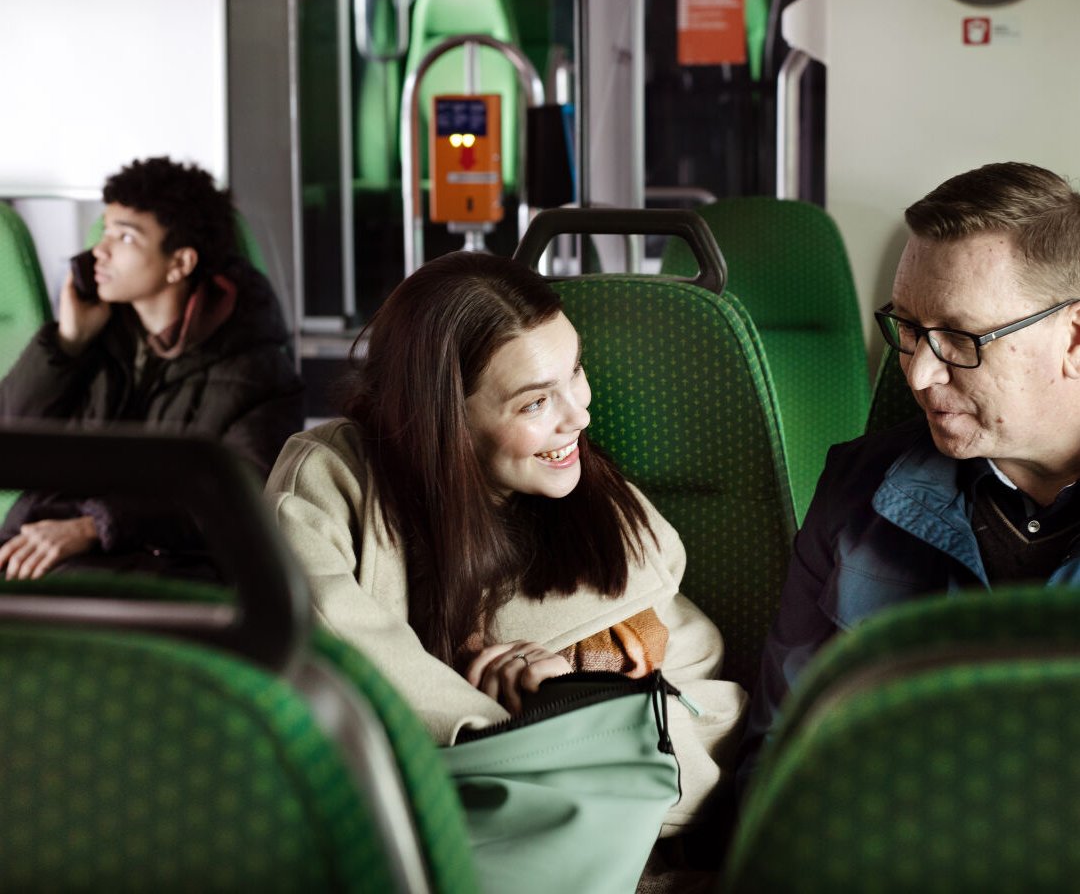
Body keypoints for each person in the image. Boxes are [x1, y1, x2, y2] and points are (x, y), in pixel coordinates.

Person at [265, 250, 746, 842]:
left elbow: (704, 695)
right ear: (443, 418)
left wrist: (567, 698)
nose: (581, 414)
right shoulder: (329, 482)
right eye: (535, 402)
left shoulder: (601, 503)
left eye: (576, 370)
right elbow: (327, 652)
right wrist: (520, 732)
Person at [740, 160, 1080, 775]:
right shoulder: (856, 486)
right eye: (908, 328)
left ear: (1075, 339)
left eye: (959, 337)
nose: (919, 374)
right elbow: (780, 750)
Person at [0, 156, 305, 579]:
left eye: (124, 237)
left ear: (180, 263)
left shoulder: (256, 372)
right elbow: (13, 441)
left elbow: (237, 500)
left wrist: (94, 527)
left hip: (163, 569)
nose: (99, 252)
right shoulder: (92, 340)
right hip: (43, 552)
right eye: (104, 231)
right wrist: (67, 344)